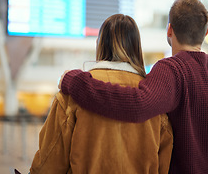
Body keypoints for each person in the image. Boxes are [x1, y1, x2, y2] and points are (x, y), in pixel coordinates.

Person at [59, 0, 208, 173]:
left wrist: (76, 82)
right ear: (205, 33)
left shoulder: (172, 70)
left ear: (169, 30)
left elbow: (137, 105)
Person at [30, 14, 173, 174]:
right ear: (136, 48)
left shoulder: (71, 94)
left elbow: (49, 162)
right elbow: (165, 164)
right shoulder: (153, 98)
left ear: (99, 44)